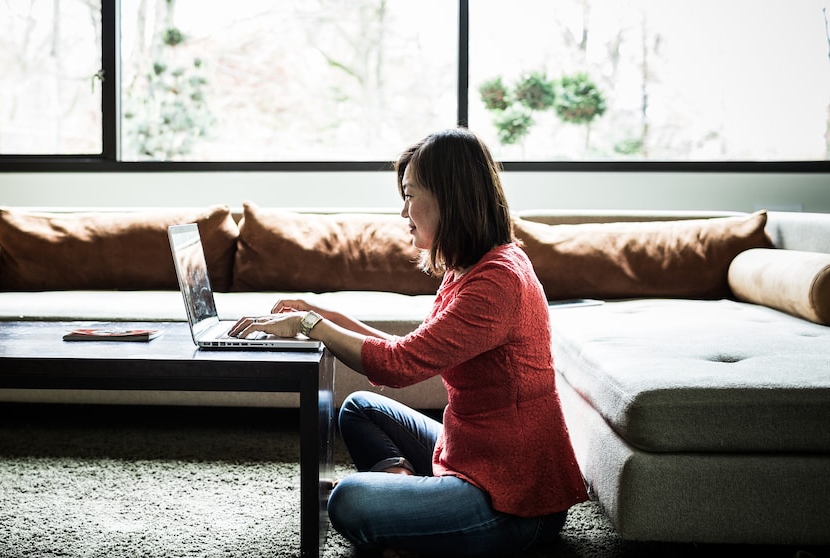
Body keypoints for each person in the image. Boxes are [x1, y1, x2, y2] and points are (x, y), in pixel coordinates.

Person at [228, 128, 588, 557]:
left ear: (449, 198)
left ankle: (409, 517)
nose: (403, 212)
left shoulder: (498, 281)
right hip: (475, 452)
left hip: (515, 502)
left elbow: (399, 366)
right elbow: (408, 349)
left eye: (409, 195)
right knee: (361, 408)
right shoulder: (473, 266)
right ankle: (409, 505)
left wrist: (309, 325)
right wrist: (319, 313)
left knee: (347, 500)